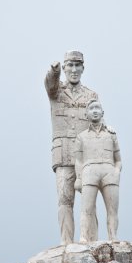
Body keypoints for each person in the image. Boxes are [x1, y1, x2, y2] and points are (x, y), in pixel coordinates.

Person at [44, 51, 99, 245]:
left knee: (89, 200)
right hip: (64, 154)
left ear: (83, 68)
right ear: (65, 68)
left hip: (86, 156)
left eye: (78, 66)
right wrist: (54, 70)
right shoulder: (56, 91)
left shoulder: (91, 95)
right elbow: (50, 83)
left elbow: (96, 121)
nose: (74, 70)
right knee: (65, 199)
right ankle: (66, 243)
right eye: (70, 66)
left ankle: (91, 242)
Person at [74, 99, 122, 242]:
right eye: (91, 108)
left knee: (112, 209)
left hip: (109, 171)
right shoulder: (81, 136)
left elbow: (118, 159)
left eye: (97, 108)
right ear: (86, 114)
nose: (94, 111)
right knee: (86, 208)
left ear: (102, 112)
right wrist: (78, 178)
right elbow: (78, 160)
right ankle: (83, 237)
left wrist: (117, 172)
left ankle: (113, 237)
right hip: (89, 170)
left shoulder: (111, 134)